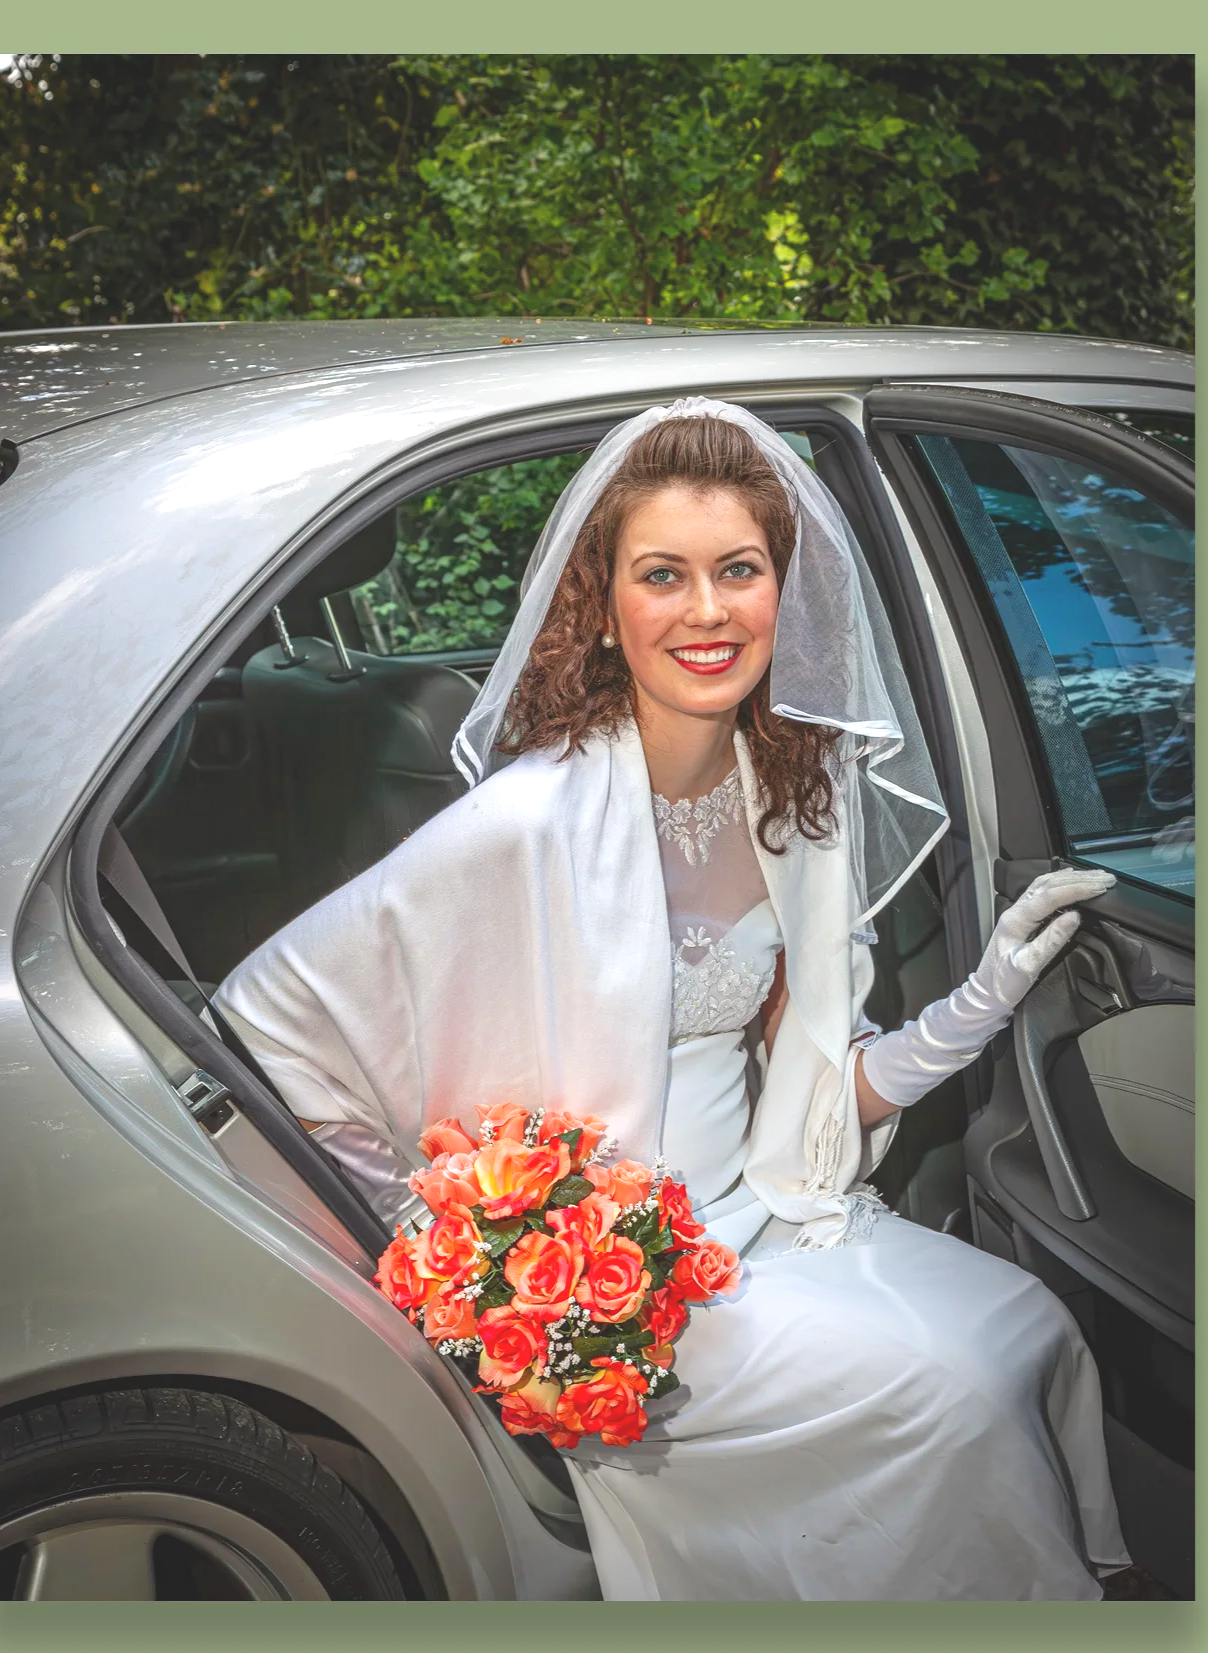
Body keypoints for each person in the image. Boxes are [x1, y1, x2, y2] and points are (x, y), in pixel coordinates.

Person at [215, 399, 1128, 1600]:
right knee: (944, 1394)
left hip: (769, 1218)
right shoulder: (523, 825)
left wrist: (986, 996)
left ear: (783, 594)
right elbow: (271, 1021)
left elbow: (820, 1093)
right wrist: (459, 1259)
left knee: (1025, 1320)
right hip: (635, 1290)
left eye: (738, 570)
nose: (707, 611)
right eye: (663, 575)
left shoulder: (793, 801)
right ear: (604, 606)